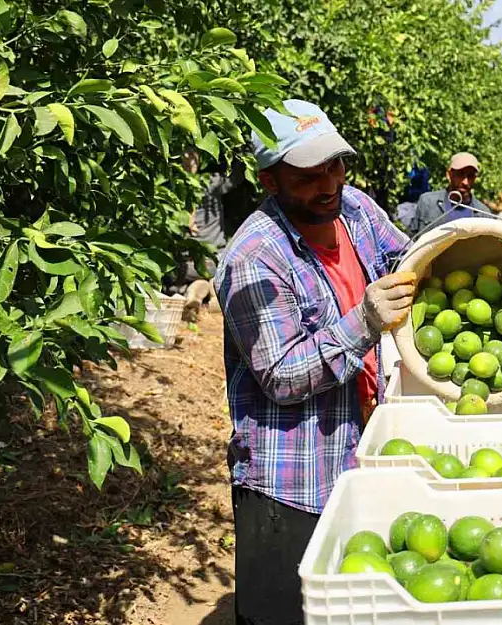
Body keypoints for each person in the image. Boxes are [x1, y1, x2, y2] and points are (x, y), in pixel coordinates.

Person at [214, 99, 414, 625]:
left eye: (335, 164)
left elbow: (408, 259)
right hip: (294, 480)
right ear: (269, 180)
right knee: (284, 611)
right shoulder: (255, 258)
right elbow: (281, 374)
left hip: (363, 453)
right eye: (307, 174)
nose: (327, 183)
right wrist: (364, 322)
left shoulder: (354, 210)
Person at [409, 152, 492, 235]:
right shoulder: (428, 202)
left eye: (470, 176)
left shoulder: (483, 214)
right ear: (449, 175)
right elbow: (413, 239)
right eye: (460, 174)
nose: (465, 182)